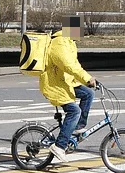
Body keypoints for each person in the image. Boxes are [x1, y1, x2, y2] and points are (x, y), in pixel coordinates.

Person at [38, 15, 96, 163]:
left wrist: (87, 81)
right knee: (74, 111)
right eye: (78, 29)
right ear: (70, 29)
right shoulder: (59, 43)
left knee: (88, 93)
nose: (80, 32)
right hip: (54, 85)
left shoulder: (69, 42)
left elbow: (75, 67)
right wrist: (87, 78)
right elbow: (68, 65)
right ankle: (59, 146)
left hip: (66, 83)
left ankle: (77, 127)